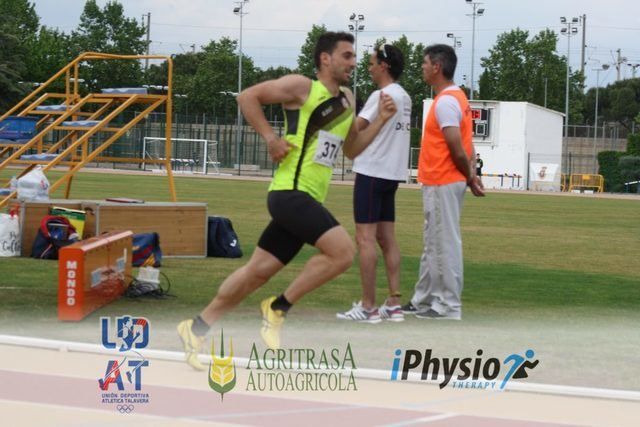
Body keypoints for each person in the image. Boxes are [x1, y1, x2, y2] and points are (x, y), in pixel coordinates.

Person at [177, 31, 397, 370]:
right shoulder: (301, 87)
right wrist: (270, 138)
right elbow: (247, 97)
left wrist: (381, 120)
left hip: (305, 198)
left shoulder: (348, 99)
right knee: (342, 253)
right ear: (326, 59)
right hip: (289, 194)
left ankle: (195, 328)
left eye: (355, 57)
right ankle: (278, 308)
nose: (354, 63)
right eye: (347, 56)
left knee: (256, 273)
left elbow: (351, 149)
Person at [402, 44, 484, 320]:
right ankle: (423, 299)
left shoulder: (447, 101)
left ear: (437, 67)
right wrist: (470, 175)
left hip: (443, 179)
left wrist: (470, 176)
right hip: (442, 179)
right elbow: (467, 148)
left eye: (425, 63)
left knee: (443, 243)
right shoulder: (456, 98)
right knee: (433, 244)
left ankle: (448, 306)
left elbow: (457, 147)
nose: (422, 68)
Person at [336, 44, 411, 323]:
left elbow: (357, 128)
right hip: (391, 174)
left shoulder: (381, 95)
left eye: (372, 62)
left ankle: (368, 306)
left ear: (384, 66)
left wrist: (341, 113)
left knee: (365, 238)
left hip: (371, 171)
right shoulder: (404, 96)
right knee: (387, 239)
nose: (368, 67)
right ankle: (393, 303)